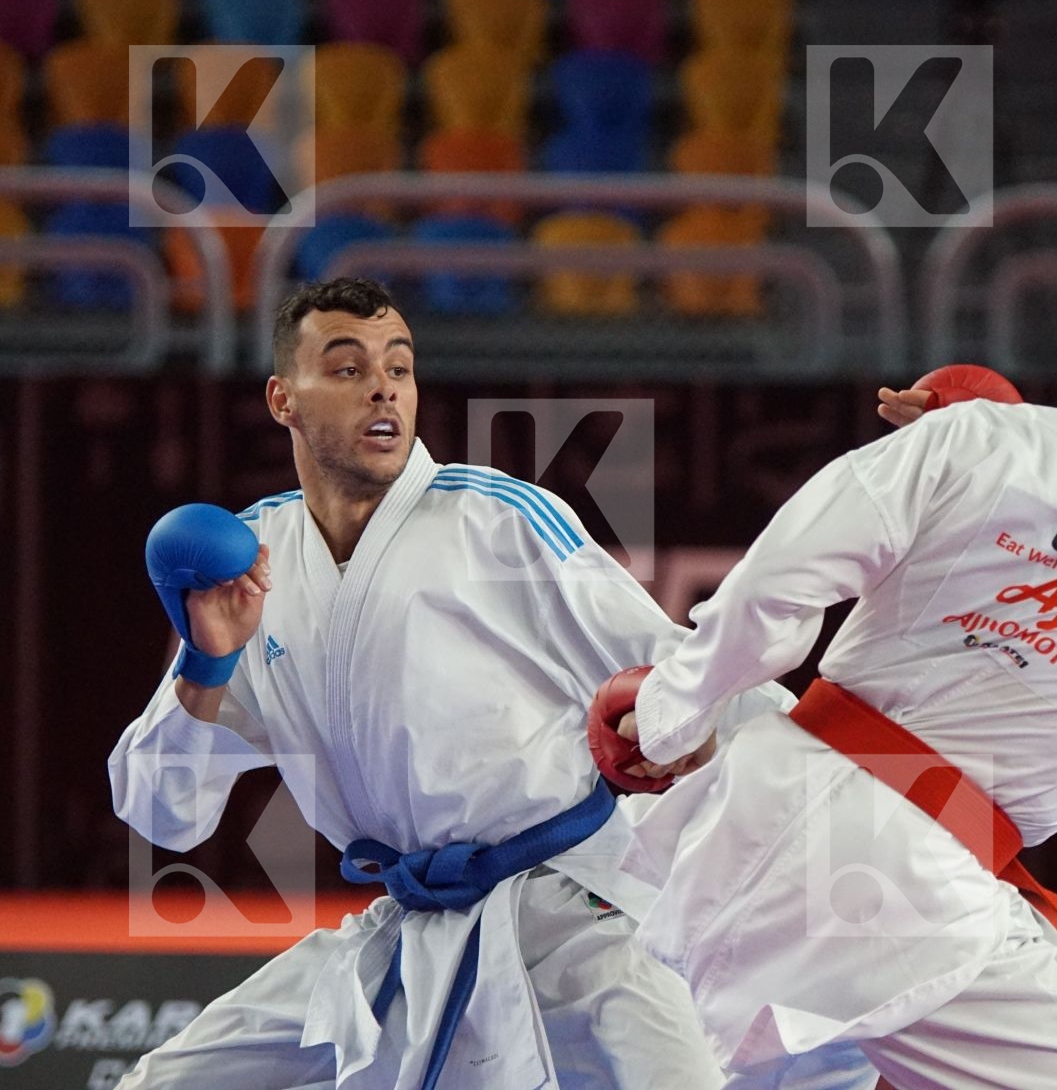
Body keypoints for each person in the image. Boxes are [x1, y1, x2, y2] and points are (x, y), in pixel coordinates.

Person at [614, 242, 1057, 1089]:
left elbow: (775, 586)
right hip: (920, 896)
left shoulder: (978, 440)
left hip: (780, 818)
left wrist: (667, 718)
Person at [108, 277, 804, 1090]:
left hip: (575, 916)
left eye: (398, 368)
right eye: (345, 368)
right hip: (409, 925)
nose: (382, 387)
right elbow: (163, 810)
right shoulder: (256, 562)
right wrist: (207, 662)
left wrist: (837, 774)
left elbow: (687, 673)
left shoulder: (499, 521)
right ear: (281, 400)